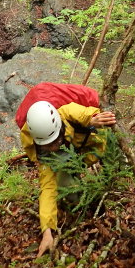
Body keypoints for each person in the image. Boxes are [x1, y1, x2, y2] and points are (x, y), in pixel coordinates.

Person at [17, 84, 116, 257]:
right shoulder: (42, 152)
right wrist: (47, 232)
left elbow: (86, 114)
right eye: (48, 145)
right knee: (64, 183)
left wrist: (92, 120)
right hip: (79, 155)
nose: (53, 148)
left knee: (114, 170)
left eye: (56, 141)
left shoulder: (68, 112)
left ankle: (111, 189)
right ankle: (84, 204)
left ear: (60, 127)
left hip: (100, 144)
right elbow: (48, 188)